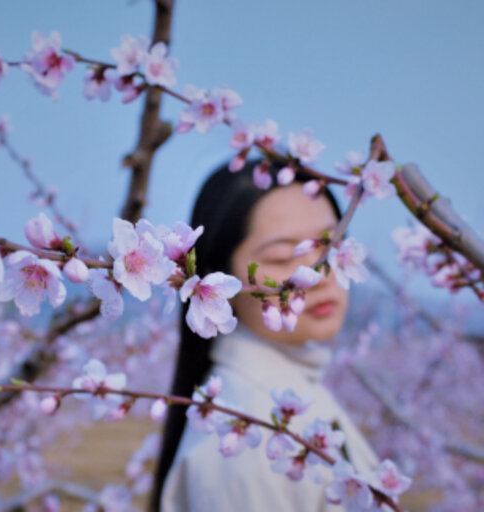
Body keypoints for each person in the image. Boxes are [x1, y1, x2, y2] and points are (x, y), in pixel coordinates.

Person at [150, 159, 378, 512]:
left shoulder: (286, 391)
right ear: (214, 280)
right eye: (284, 256)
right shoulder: (243, 443)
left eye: (330, 246)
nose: (318, 275)